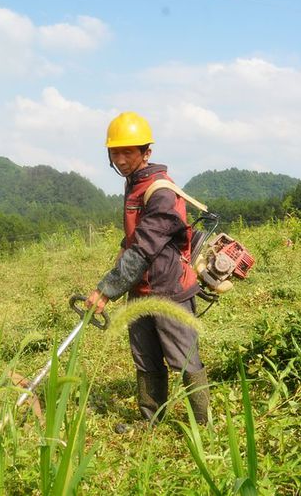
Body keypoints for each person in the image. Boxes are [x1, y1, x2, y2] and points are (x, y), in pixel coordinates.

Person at [85, 111, 210, 425]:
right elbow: (131, 240)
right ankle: (150, 421)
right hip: (140, 289)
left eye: (129, 151)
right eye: (115, 151)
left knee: (184, 358)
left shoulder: (161, 192)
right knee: (146, 357)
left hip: (169, 289)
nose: (121, 158)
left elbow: (144, 246)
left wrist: (106, 290)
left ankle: (203, 425)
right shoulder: (134, 184)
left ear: (146, 152)